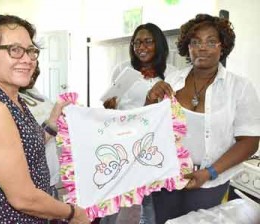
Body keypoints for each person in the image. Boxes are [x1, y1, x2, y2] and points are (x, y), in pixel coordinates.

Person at [0, 14, 90, 223]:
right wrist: (74, 213)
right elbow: (23, 198)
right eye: (15, 50)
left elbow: (27, 144)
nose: (28, 59)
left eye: (31, 51)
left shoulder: (13, 99)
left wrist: (54, 117)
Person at [145, 14, 260, 223]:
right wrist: (149, 101)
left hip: (209, 182)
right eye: (195, 42)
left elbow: (250, 141)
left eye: (210, 41)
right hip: (167, 178)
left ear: (222, 46)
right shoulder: (173, 80)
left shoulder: (240, 87)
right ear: (187, 47)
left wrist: (209, 173)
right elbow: (152, 128)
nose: (202, 48)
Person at [102, 23, 175, 224]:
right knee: (122, 197)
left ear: (158, 44)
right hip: (123, 142)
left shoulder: (172, 73)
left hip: (154, 145)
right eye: (136, 43)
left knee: (148, 197)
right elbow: (113, 106)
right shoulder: (122, 68)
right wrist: (110, 106)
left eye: (148, 42)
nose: (141, 47)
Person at [19, 64, 62, 224]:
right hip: (30, 187)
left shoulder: (34, 94)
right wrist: (52, 124)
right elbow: (26, 144)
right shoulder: (5, 101)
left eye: (36, 64)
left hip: (49, 179)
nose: (33, 69)